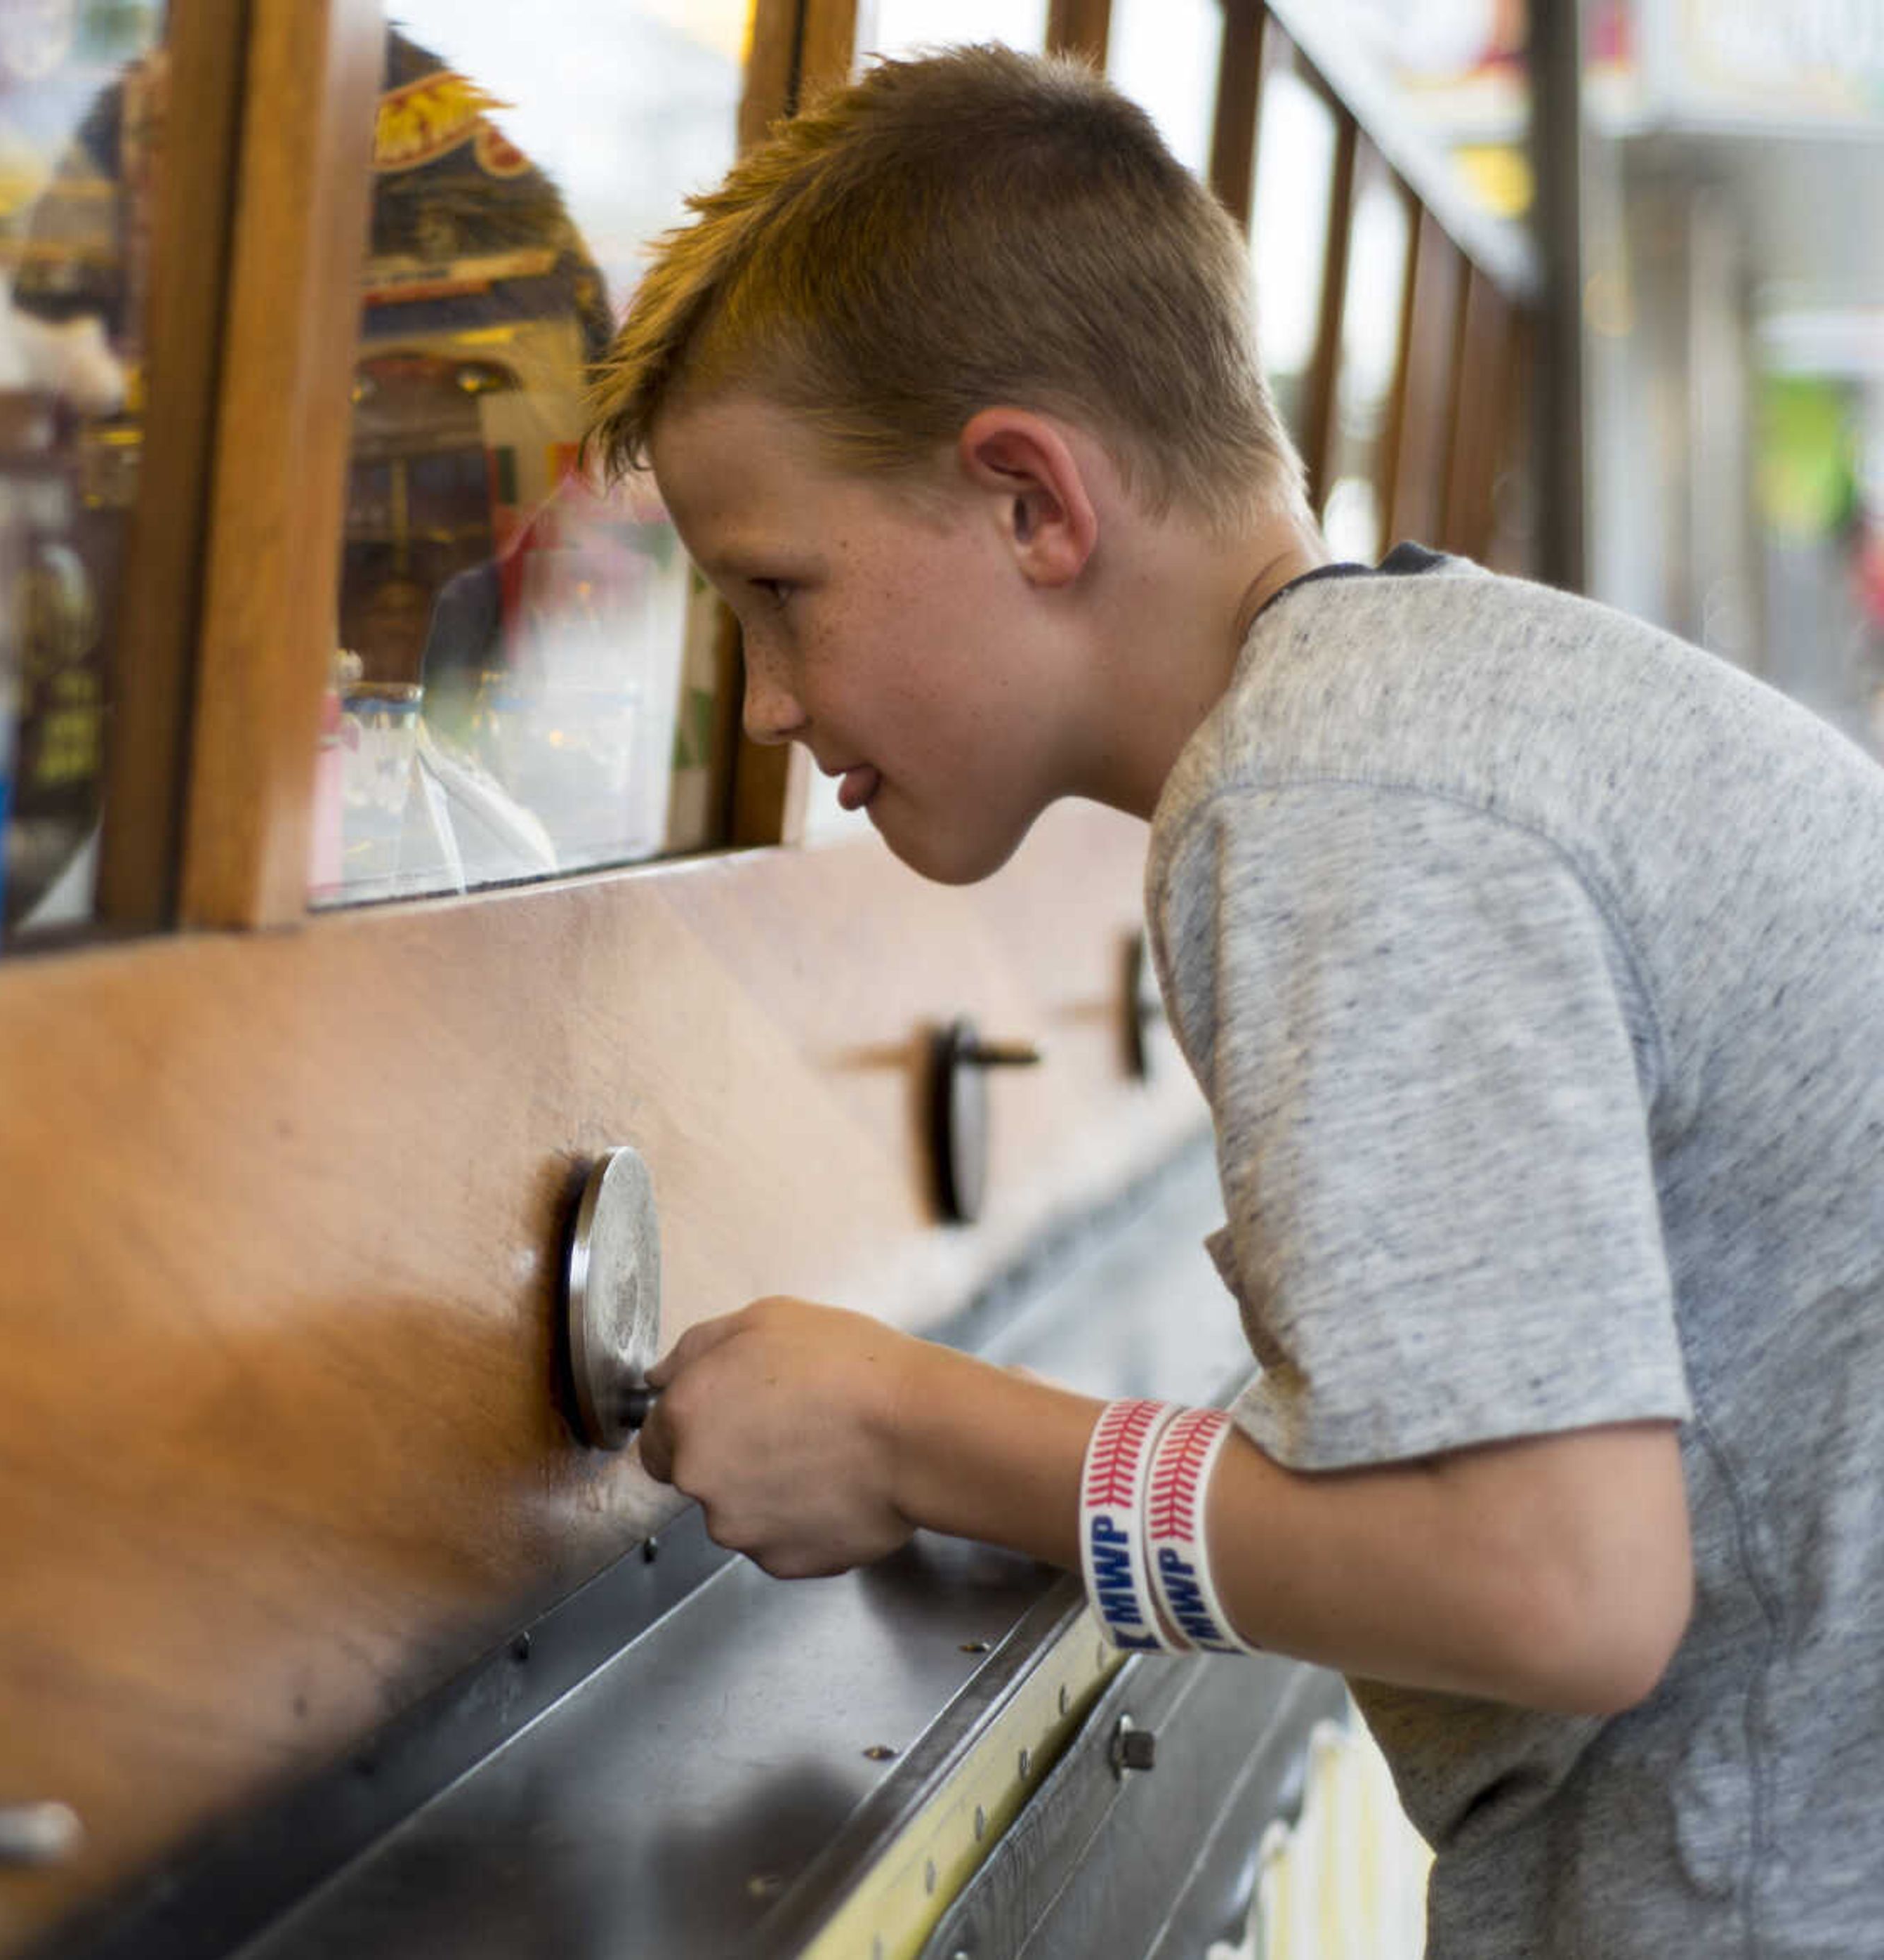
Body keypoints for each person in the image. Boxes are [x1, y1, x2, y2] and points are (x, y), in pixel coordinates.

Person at [586, 44, 1884, 1960]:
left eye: (782, 591)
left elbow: (1557, 1591)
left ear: (1034, 499)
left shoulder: (1327, 795)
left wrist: (914, 1431)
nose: (770, 702)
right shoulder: (1426, 706)